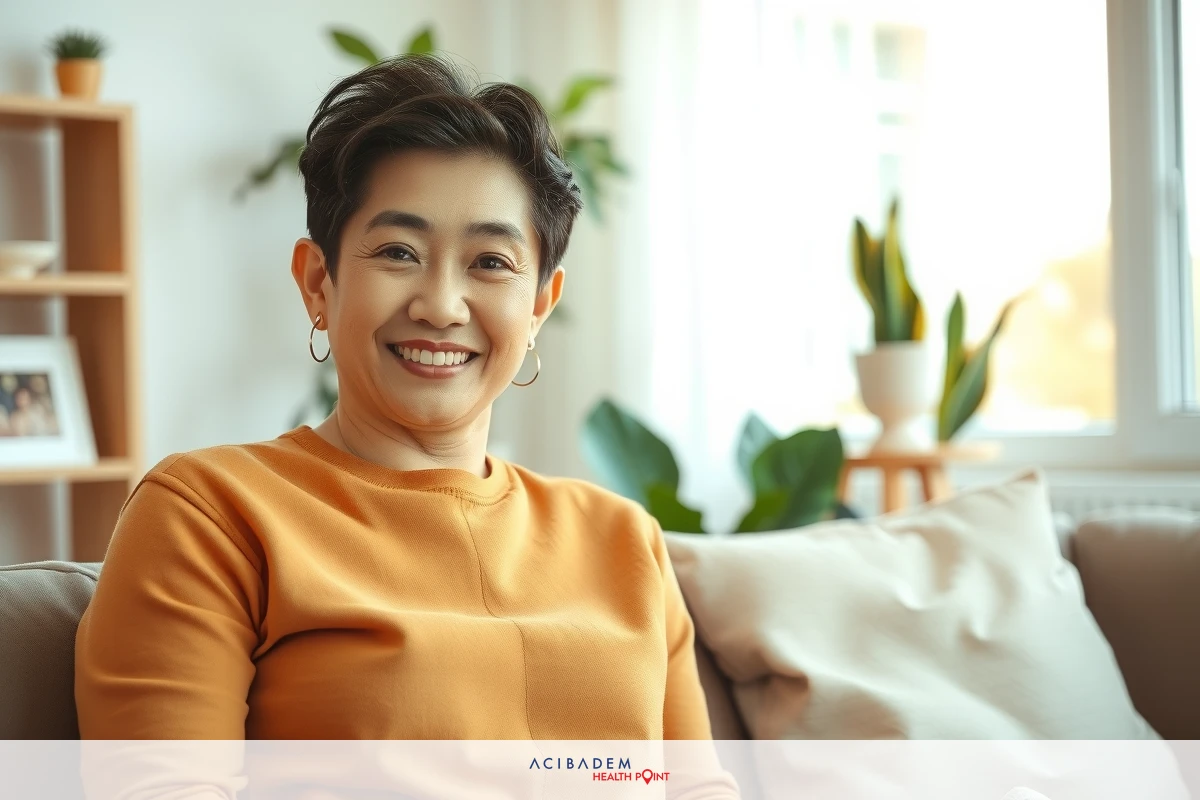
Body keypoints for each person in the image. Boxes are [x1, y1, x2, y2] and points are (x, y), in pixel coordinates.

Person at [74, 54, 727, 759]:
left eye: (491, 262)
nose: (441, 306)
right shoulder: (210, 515)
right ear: (319, 283)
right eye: (398, 251)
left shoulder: (626, 544)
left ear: (540, 305)